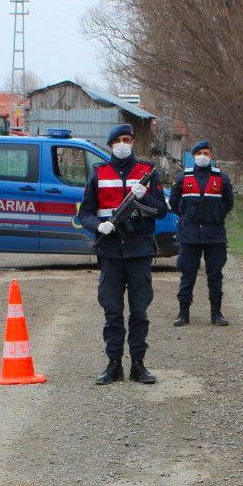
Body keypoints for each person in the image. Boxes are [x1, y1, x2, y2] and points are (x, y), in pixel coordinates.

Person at [77, 123, 169, 385]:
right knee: (112, 311)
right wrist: (98, 225)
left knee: (139, 311)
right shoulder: (98, 173)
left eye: (127, 139)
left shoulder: (147, 173)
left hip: (139, 250)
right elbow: (84, 213)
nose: (122, 144)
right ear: (110, 145)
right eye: (118, 140)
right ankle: (114, 364)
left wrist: (145, 197)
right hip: (110, 252)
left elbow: (161, 210)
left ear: (133, 142)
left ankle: (138, 365)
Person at [169, 139, 234, 326]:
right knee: (187, 273)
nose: (203, 156)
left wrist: (217, 215)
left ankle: (216, 314)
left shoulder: (222, 178)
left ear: (211, 155)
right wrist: (186, 216)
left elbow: (228, 203)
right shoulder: (183, 177)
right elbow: (174, 202)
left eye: (206, 153)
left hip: (214, 234)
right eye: (199, 153)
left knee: (215, 274)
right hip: (189, 234)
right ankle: (183, 313)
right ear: (194, 156)